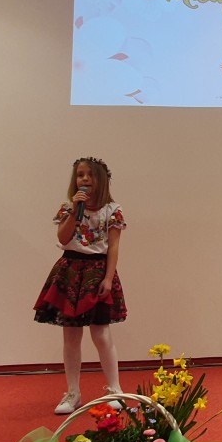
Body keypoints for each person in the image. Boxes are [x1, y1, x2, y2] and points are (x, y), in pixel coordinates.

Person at [33, 156, 127, 414]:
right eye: (80, 175)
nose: (84, 179)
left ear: (102, 179)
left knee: (101, 334)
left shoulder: (112, 210)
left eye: (90, 174)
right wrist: (75, 212)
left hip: (97, 271)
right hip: (71, 271)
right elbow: (63, 238)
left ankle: (114, 389)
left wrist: (108, 278)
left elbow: (113, 247)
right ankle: (73, 392)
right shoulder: (69, 208)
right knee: (71, 336)